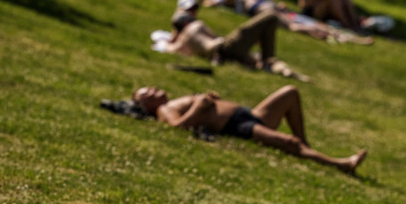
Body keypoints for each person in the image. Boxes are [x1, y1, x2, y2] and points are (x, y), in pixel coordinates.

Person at [131, 85, 368, 174]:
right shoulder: (164, 110)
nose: (153, 90)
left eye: (150, 88)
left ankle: (305, 145)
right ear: (146, 106)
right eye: (147, 94)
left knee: (290, 93)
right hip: (237, 125)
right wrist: (199, 108)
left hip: (248, 114)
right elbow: (177, 127)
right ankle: (342, 165)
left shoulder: (171, 101)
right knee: (288, 143)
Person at [168, 0, 309, 81]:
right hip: (223, 49)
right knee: (271, 16)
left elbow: (171, 46)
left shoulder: (182, 39)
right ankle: (270, 61)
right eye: (191, 10)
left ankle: (277, 67)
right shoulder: (196, 26)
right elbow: (215, 42)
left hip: (222, 55)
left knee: (256, 59)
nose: (194, 13)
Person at [204, 0, 373, 44]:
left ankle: (326, 35)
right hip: (270, 5)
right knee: (306, 22)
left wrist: (206, 1)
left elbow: (213, 3)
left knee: (294, 25)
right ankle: (353, 39)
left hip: (264, 10)